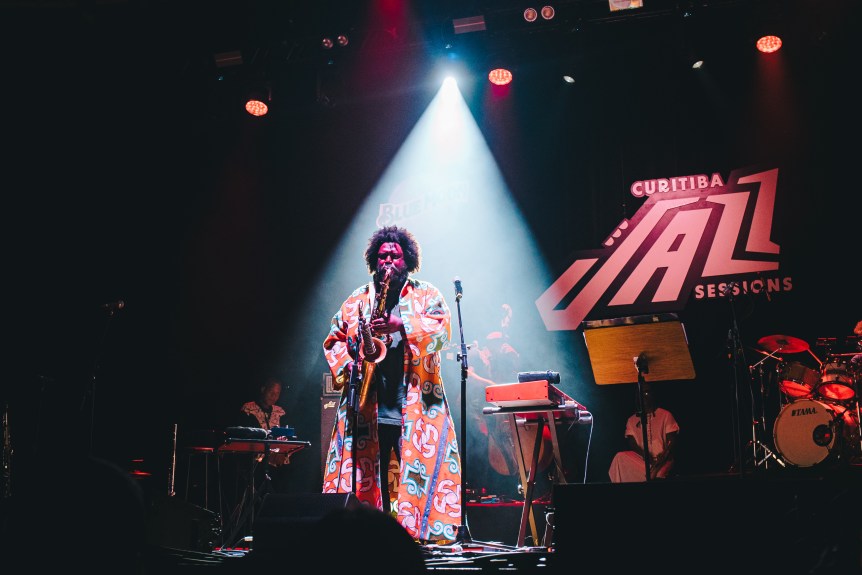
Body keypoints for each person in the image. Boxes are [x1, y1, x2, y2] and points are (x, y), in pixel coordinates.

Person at [321, 225, 462, 543]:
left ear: (407, 260)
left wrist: (402, 324)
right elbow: (333, 339)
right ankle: (365, 542)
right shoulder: (358, 299)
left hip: (416, 409)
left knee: (418, 479)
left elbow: (442, 332)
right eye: (383, 256)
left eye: (395, 256)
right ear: (374, 259)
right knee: (367, 481)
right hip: (366, 409)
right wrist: (353, 357)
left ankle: (421, 541)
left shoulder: (427, 294)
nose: (388, 261)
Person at [608, 385, 679, 482]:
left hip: (662, 461)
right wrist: (645, 456)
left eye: (646, 393)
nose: (643, 396)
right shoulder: (632, 420)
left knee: (658, 475)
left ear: (652, 395)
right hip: (642, 461)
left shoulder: (665, 415)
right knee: (619, 457)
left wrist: (662, 457)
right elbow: (632, 443)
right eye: (640, 394)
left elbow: (672, 441)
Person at [238, 377, 292, 489]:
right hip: (256, 465)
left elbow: (288, 436)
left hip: (277, 464)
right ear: (263, 389)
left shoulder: (280, 412)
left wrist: (282, 454)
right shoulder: (249, 409)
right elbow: (247, 437)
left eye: (277, 394)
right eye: (271, 392)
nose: (273, 396)